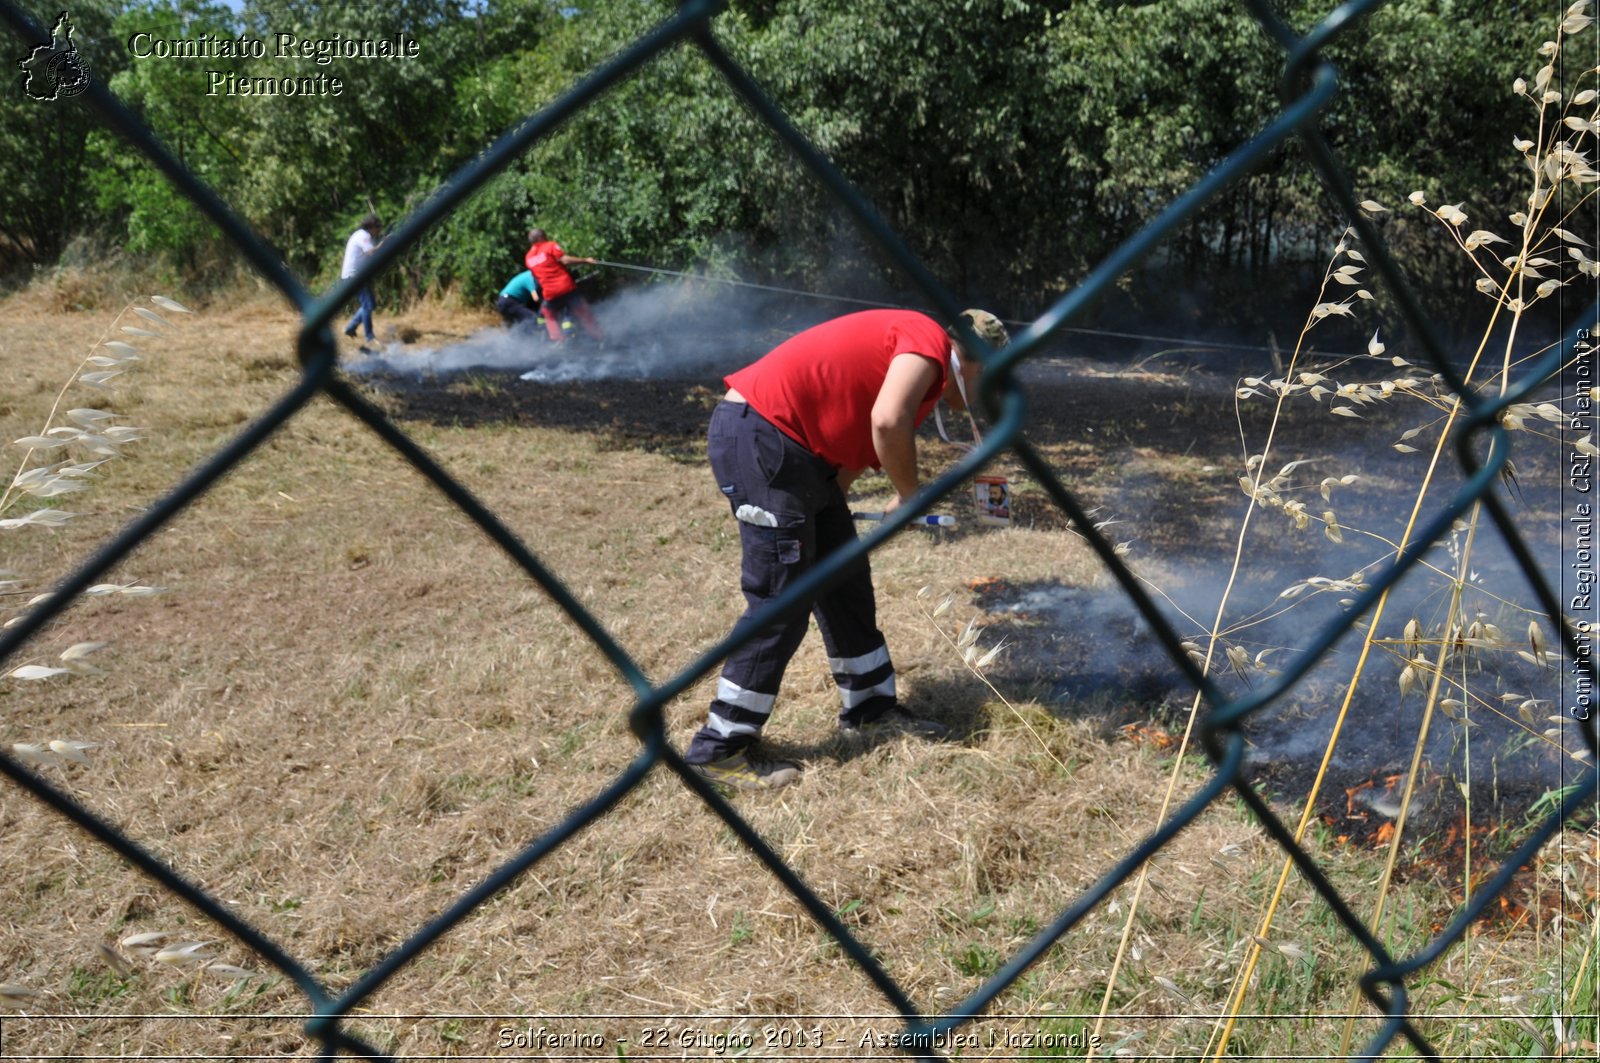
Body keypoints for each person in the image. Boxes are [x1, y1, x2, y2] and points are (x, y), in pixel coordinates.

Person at [685, 307, 1010, 791]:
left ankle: (871, 709)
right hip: (764, 438)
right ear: (977, 361)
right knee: (783, 597)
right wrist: (909, 497)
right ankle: (720, 747)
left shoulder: (916, 374)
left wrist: (830, 513)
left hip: (793, 455)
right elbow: (886, 421)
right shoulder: (926, 342)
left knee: (845, 582)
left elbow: (845, 459)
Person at [524, 228, 603, 342]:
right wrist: (585, 260)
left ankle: (558, 340)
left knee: (548, 312)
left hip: (550, 292)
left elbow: (536, 276)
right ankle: (599, 337)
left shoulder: (528, 257)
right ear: (541, 238)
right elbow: (564, 260)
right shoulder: (550, 246)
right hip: (565, 287)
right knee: (583, 311)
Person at [341, 214, 382, 345]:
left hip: (356, 276)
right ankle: (369, 338)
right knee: (368, 305)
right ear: (371, 227)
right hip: (354, 276)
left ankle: (350, 328)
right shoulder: (364, 236)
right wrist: (384, 243)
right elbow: (371, 252)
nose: (379, 230)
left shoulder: (361, 234)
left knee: (369, 305)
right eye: (378, 227)